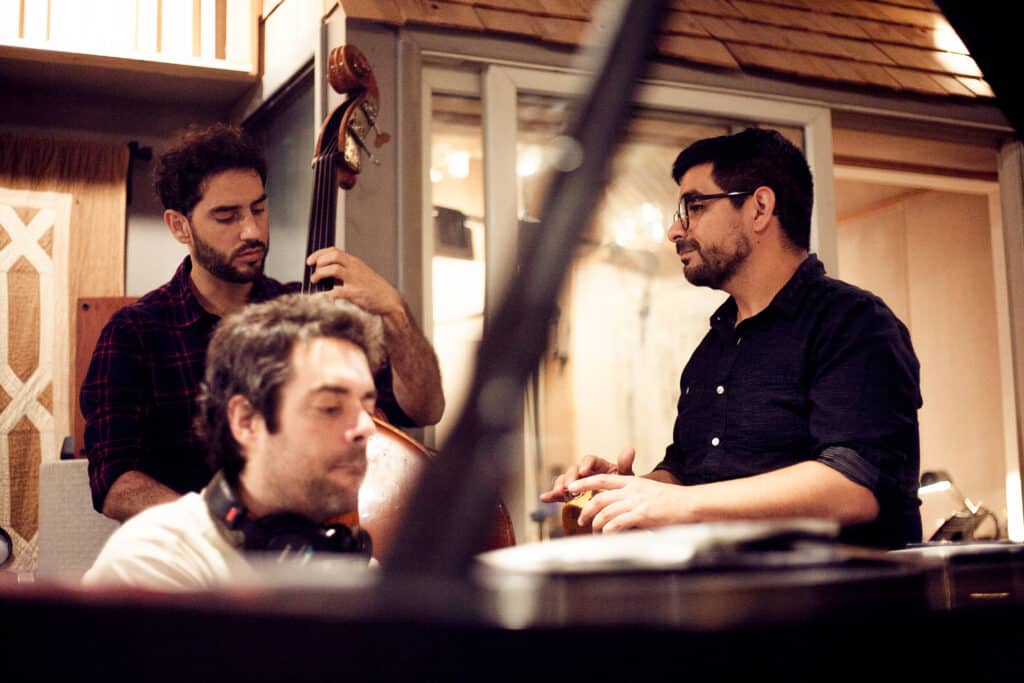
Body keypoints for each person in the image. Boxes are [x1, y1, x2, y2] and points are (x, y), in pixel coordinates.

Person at [541, 127, 922, 549]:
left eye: (695, 206)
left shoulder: (853, 322)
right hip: (731, 603)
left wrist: (678, 502)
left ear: (760, 208)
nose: (676, 231)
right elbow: (690, 474)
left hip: (845, 607)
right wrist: (626, 490)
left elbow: (855, 485)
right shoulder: (713, 348)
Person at [81, 123, 444, 522]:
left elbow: (425, 408)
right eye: (226, 216)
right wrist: (234, 527)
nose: (252, 231)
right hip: (204, 565)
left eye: (258, 208)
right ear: (179, 225)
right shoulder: (134, 334)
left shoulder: (312, 312)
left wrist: (394, 312)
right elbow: (115, 483)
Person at [83, 294, 383, 589]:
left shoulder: (357, 570)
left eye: (367, 409)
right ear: (245, 420)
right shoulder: (152, 561)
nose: (367, 428)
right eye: (330, 407)